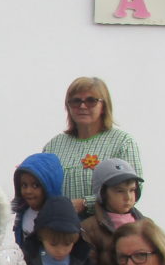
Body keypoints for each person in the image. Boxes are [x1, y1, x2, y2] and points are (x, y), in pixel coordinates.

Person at [43, 77, 142, 217]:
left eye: (91, 101)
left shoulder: (123, 142)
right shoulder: (54, 146)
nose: (82, 106)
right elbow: (42, 187)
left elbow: (135, 189)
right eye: (76, 101)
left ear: (104, 106)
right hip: (63, 230)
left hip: (105, 229)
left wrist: (85, 203)